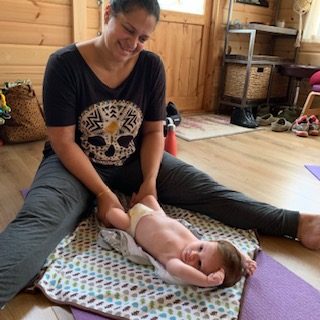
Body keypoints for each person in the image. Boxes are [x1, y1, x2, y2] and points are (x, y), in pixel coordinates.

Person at [0, 0, 319, 309]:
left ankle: (296, 223)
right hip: (71, 165)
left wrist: (150, 182)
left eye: (143, 38)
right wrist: (102, 192)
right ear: (109, 13)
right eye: (128, 30)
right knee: (40, 222)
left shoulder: (151, 66)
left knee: (206, 189)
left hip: (133, 161)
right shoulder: (65, 64)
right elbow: (63, 141)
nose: (133, 43)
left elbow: (154, 132)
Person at [106, 194, 256, 288]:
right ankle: (136, 201)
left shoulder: (174, 261)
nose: (193, 254)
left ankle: (110, 200)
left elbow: (178, 271)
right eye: (201, 248)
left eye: (199, 264)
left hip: (132, 224)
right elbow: (224, 243)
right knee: (150, 197)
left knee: (112, 214)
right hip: (156, 213)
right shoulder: (198, 242)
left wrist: (205, 281)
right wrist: (244, 258)